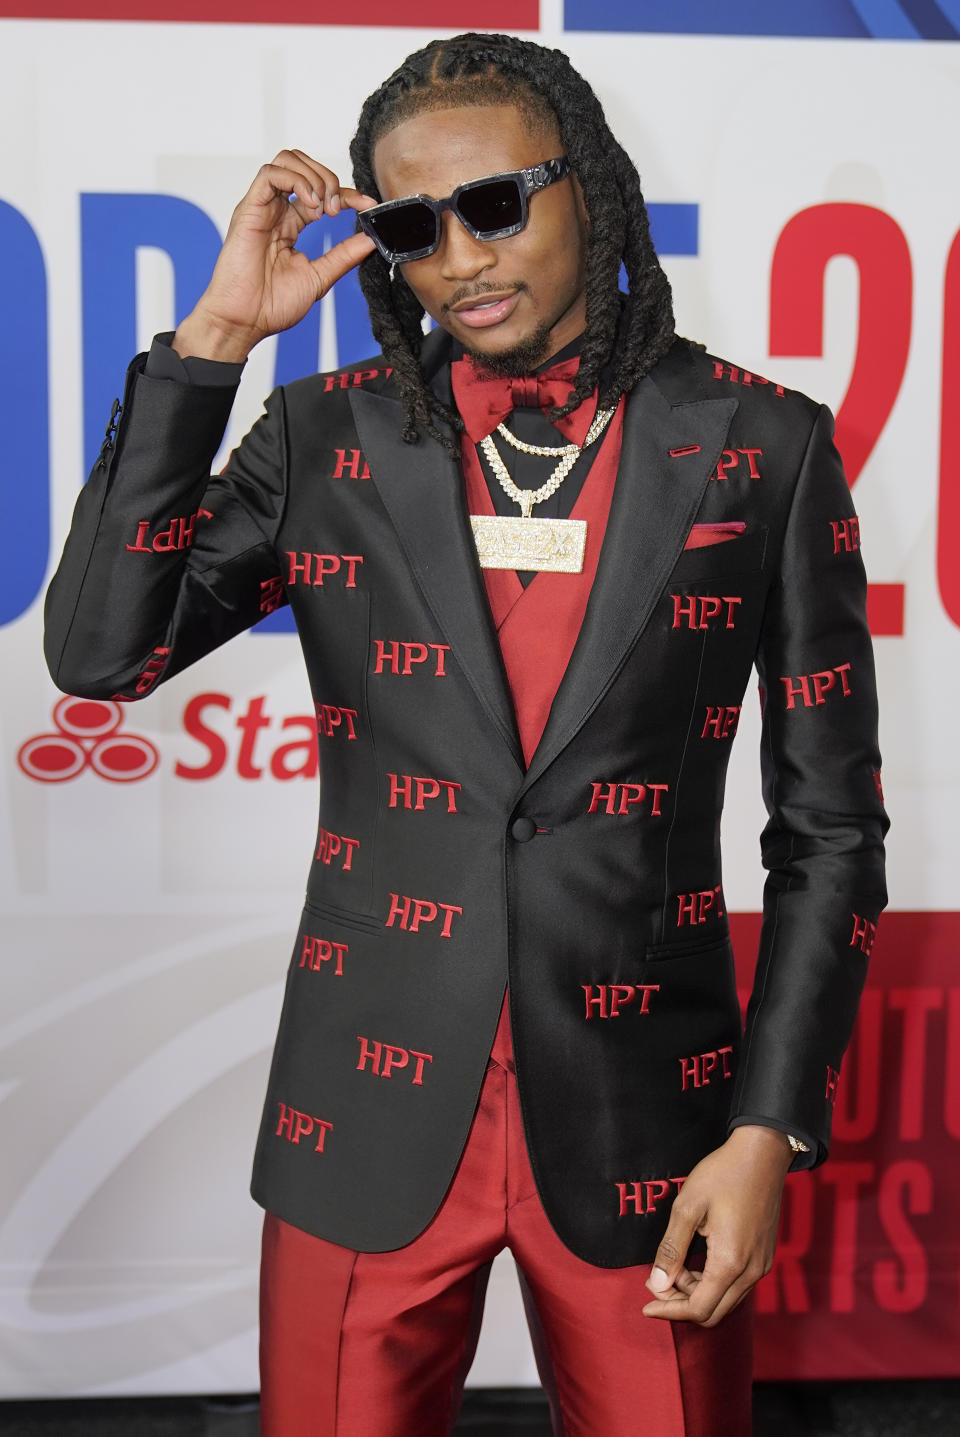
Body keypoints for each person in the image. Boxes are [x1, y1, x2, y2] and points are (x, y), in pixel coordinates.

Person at [44, 31, 887, 1437]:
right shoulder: (328, 438)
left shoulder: (762, 442)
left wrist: (766, 1130)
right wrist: (217, 345)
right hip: (361, 1119)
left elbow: (829, 830)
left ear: (593, 191)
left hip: (648, 1133)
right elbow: (98, 651)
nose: (461, 257)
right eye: (412, 226)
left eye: (496, 203)